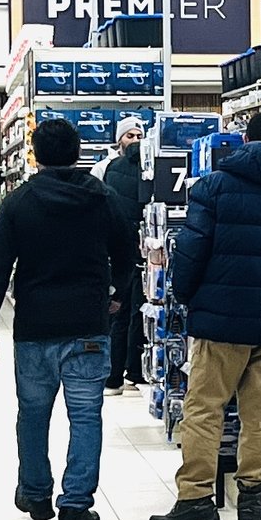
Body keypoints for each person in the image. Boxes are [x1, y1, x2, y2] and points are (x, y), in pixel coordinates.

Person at [0, 115, 135, 520]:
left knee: (33, 414)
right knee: (85, 417)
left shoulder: (19, 203)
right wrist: (115, 293)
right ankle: (76, 507)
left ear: (36, 155)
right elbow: (127, 252)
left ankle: (36, 494)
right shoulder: (104, 197)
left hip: (35, 327)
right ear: (78, 152)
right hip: (88, 324)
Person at [149, 124, 261, 520]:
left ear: (243, 141)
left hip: (220, 318)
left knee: (204, 408)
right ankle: (254, 500)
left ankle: (196, 499)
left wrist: (182, 294)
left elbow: (192, 246)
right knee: (260, 413)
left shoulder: (213, 186)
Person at [102, 116, 150, 394]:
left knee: (120, 312)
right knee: (136, 313)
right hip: (143, 250)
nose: (134, 140)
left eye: (138, 135)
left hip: (120, 250)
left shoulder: (111, 168)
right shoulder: (149, 168)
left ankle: (115, 377)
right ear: (119, 138)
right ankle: (135, 372)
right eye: (129, 135)